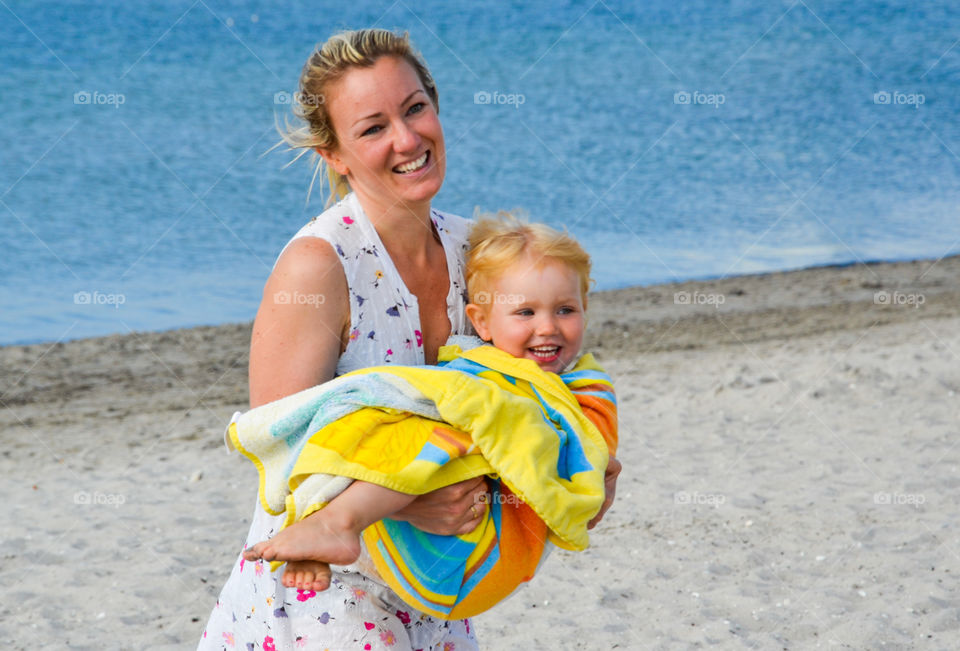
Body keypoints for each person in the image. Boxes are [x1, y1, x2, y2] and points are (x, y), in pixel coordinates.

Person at [199, 28, 620, 651]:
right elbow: (282, 455)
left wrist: (579, 462)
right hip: (324, 599)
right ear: (334, 155)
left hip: (433, 592)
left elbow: (510, 402)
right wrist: (405, 503)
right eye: (372, 128)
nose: (406, 139)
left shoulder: (472, 252)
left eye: (415, 108)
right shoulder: (319, 265)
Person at [238, 213, 619, 607]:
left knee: (457, 427)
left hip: (478, 551)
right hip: (412, 554)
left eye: (565, 310)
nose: (548, 328)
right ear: (481, 322)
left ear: (585, 309)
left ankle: (339, 521)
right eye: (526, 313)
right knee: (387, 421)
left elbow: (582, 454)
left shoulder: (583, 386)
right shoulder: (480, 367)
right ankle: (321, 522)